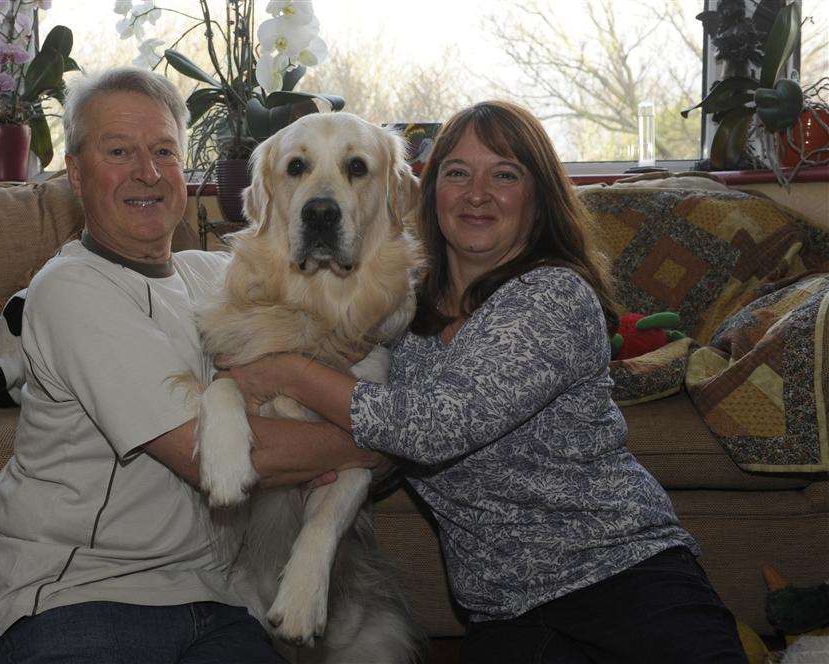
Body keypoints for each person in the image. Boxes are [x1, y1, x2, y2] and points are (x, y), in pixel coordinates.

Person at [218, 101, 749, 663]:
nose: (477, 193)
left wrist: (286, 370)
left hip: (626, 583)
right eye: (457, 174)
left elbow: (429, 430)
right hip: (504, 613)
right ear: (426, 194)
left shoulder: (554, 297)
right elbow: (369, 440)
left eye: (504, 174)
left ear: (537, 197)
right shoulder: (399, 318)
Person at [0, 67, 383, 664]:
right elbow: (226, 458)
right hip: (77, 597)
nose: (148, 172)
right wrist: (377, 441)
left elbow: (357, 333)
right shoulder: (72, 288)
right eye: (119, 151)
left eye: (164, 151)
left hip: (214, 601)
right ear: (76, 175)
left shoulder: (210, 277)